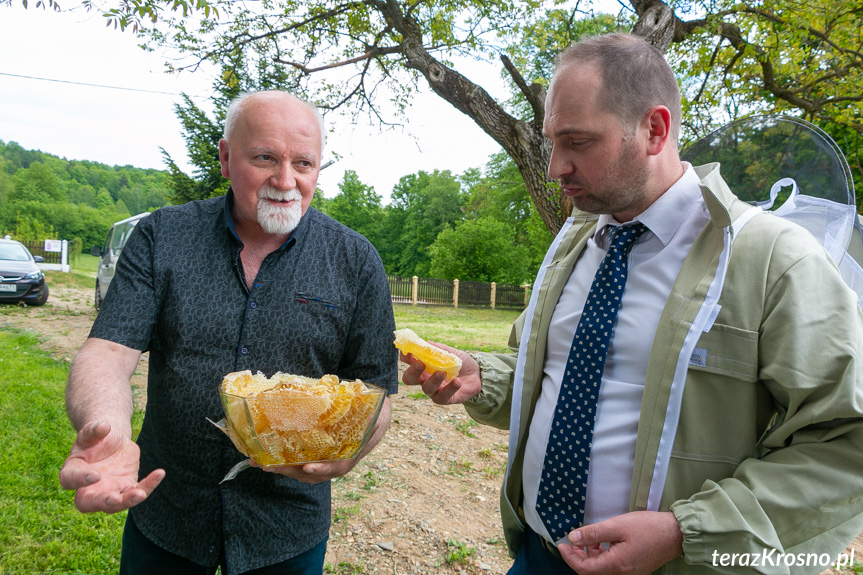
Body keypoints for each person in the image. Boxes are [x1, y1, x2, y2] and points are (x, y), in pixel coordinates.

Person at [401, 33, 863, 575]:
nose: (555, 168)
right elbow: (559, 376)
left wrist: (679, 533)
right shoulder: (574, 242)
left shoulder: (772, 258)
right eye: (553, 141)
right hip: (539, 553)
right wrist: (488, 376)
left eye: (577, 142)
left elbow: (844, 444)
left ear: (655, 129)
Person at [59, 90, 398, 574]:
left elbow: (376, 388)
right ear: (224, 157)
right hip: (168, 513)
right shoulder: (162, 237)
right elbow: (109, 352)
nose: (286, 180)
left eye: (304, 163)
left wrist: (353, 451)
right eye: (264, 158)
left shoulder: (356, 260)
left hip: (286, 528)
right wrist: (106, 433)